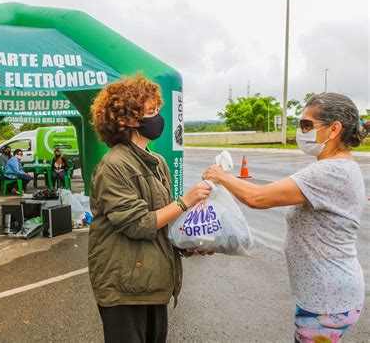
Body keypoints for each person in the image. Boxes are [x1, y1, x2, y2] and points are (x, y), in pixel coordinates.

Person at [203, 93, 369, 343]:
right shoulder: (338, 166)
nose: (300, 131)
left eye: (306, 125)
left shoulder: (331, 170)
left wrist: (222, 176)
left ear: (334, 129)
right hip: (328, 296)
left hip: (327, 300)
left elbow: (258, 198)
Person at [88, 74, 212, 343]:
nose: (158, 117)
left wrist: (188, 244)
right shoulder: (113, 165)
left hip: (152, 282)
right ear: (127, 120)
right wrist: (185, 201)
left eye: (158, 109)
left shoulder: (156, 162)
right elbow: (138, 224)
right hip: (124, 287)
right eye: (151, 111)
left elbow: (164, 221)